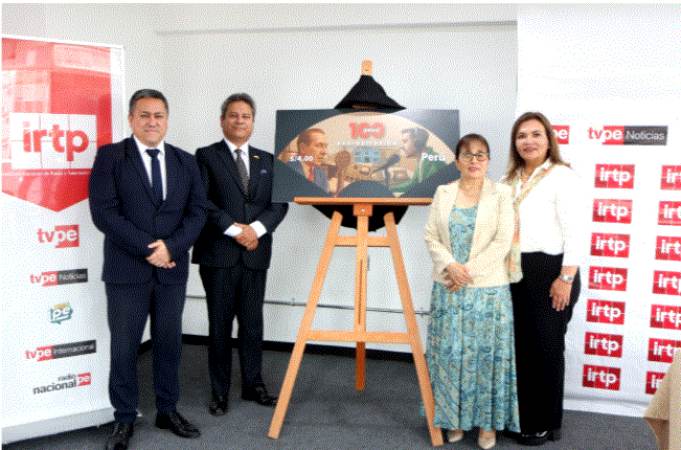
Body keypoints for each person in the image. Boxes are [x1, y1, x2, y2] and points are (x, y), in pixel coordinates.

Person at [89, 89, 207, 450]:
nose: (152, 121)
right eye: (144, 115)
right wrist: (149, 249)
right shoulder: (111, 157)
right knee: (125, 347)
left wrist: (172, 247)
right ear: (131, 119)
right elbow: (104, 212)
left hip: (171, 268)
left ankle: (167, 410)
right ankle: (124, 417)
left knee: (169, 343)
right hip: (127, 271)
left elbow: (197, 212)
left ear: (167, 120)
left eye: (158, 115)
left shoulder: (186, 161)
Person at [192, 93, 288, 416]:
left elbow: (279, 204)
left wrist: (255, 231)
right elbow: (201, 202)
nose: (239, 121)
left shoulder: (267, 160)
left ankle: (253, 385)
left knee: (252, 324)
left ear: (252, 122)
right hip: (219, 255)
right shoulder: (206, 156)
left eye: (245, 116)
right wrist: (236, 230)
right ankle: (219, 392)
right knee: (219, 326)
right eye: (233, 115)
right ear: (222, 120)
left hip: (255, 254)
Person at [424, 134, 519, 449]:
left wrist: (465, 273)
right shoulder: (443, 192)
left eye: (481, 155)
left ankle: (487, 426)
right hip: (448, 288)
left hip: (488, 292)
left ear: (488, 160)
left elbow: (502, 241)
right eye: (467, 154)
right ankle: (452, 419)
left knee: (485, 360)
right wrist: (450, 266)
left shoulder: (502, 193)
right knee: (450, 357)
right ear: (457, 161)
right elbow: (431, 236)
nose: (474, 160)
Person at [503, 112, 583, 446]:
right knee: (521, 349)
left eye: (536, 134)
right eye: (522, 135)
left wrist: (566, 277)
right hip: (514, 271)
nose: (529, 141)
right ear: (515, 142)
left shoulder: (562, 176)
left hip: (551, 271)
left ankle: (546, 422)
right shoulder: (508, 180)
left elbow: (576, 230)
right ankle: (523, 417)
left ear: (549, 139)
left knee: (546, 348)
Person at [393, 127, 446, 193]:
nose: (402, 146)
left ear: (417, 143)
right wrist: (391, 188)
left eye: (405, 141)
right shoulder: (422, 159)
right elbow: (413, 183)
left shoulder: (434, 162)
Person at [287, 127, 329, 191]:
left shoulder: (322, 174)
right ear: (303, 148)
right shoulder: (288, 170)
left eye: (325, 146)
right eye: (319, 145)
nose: (325, 152)